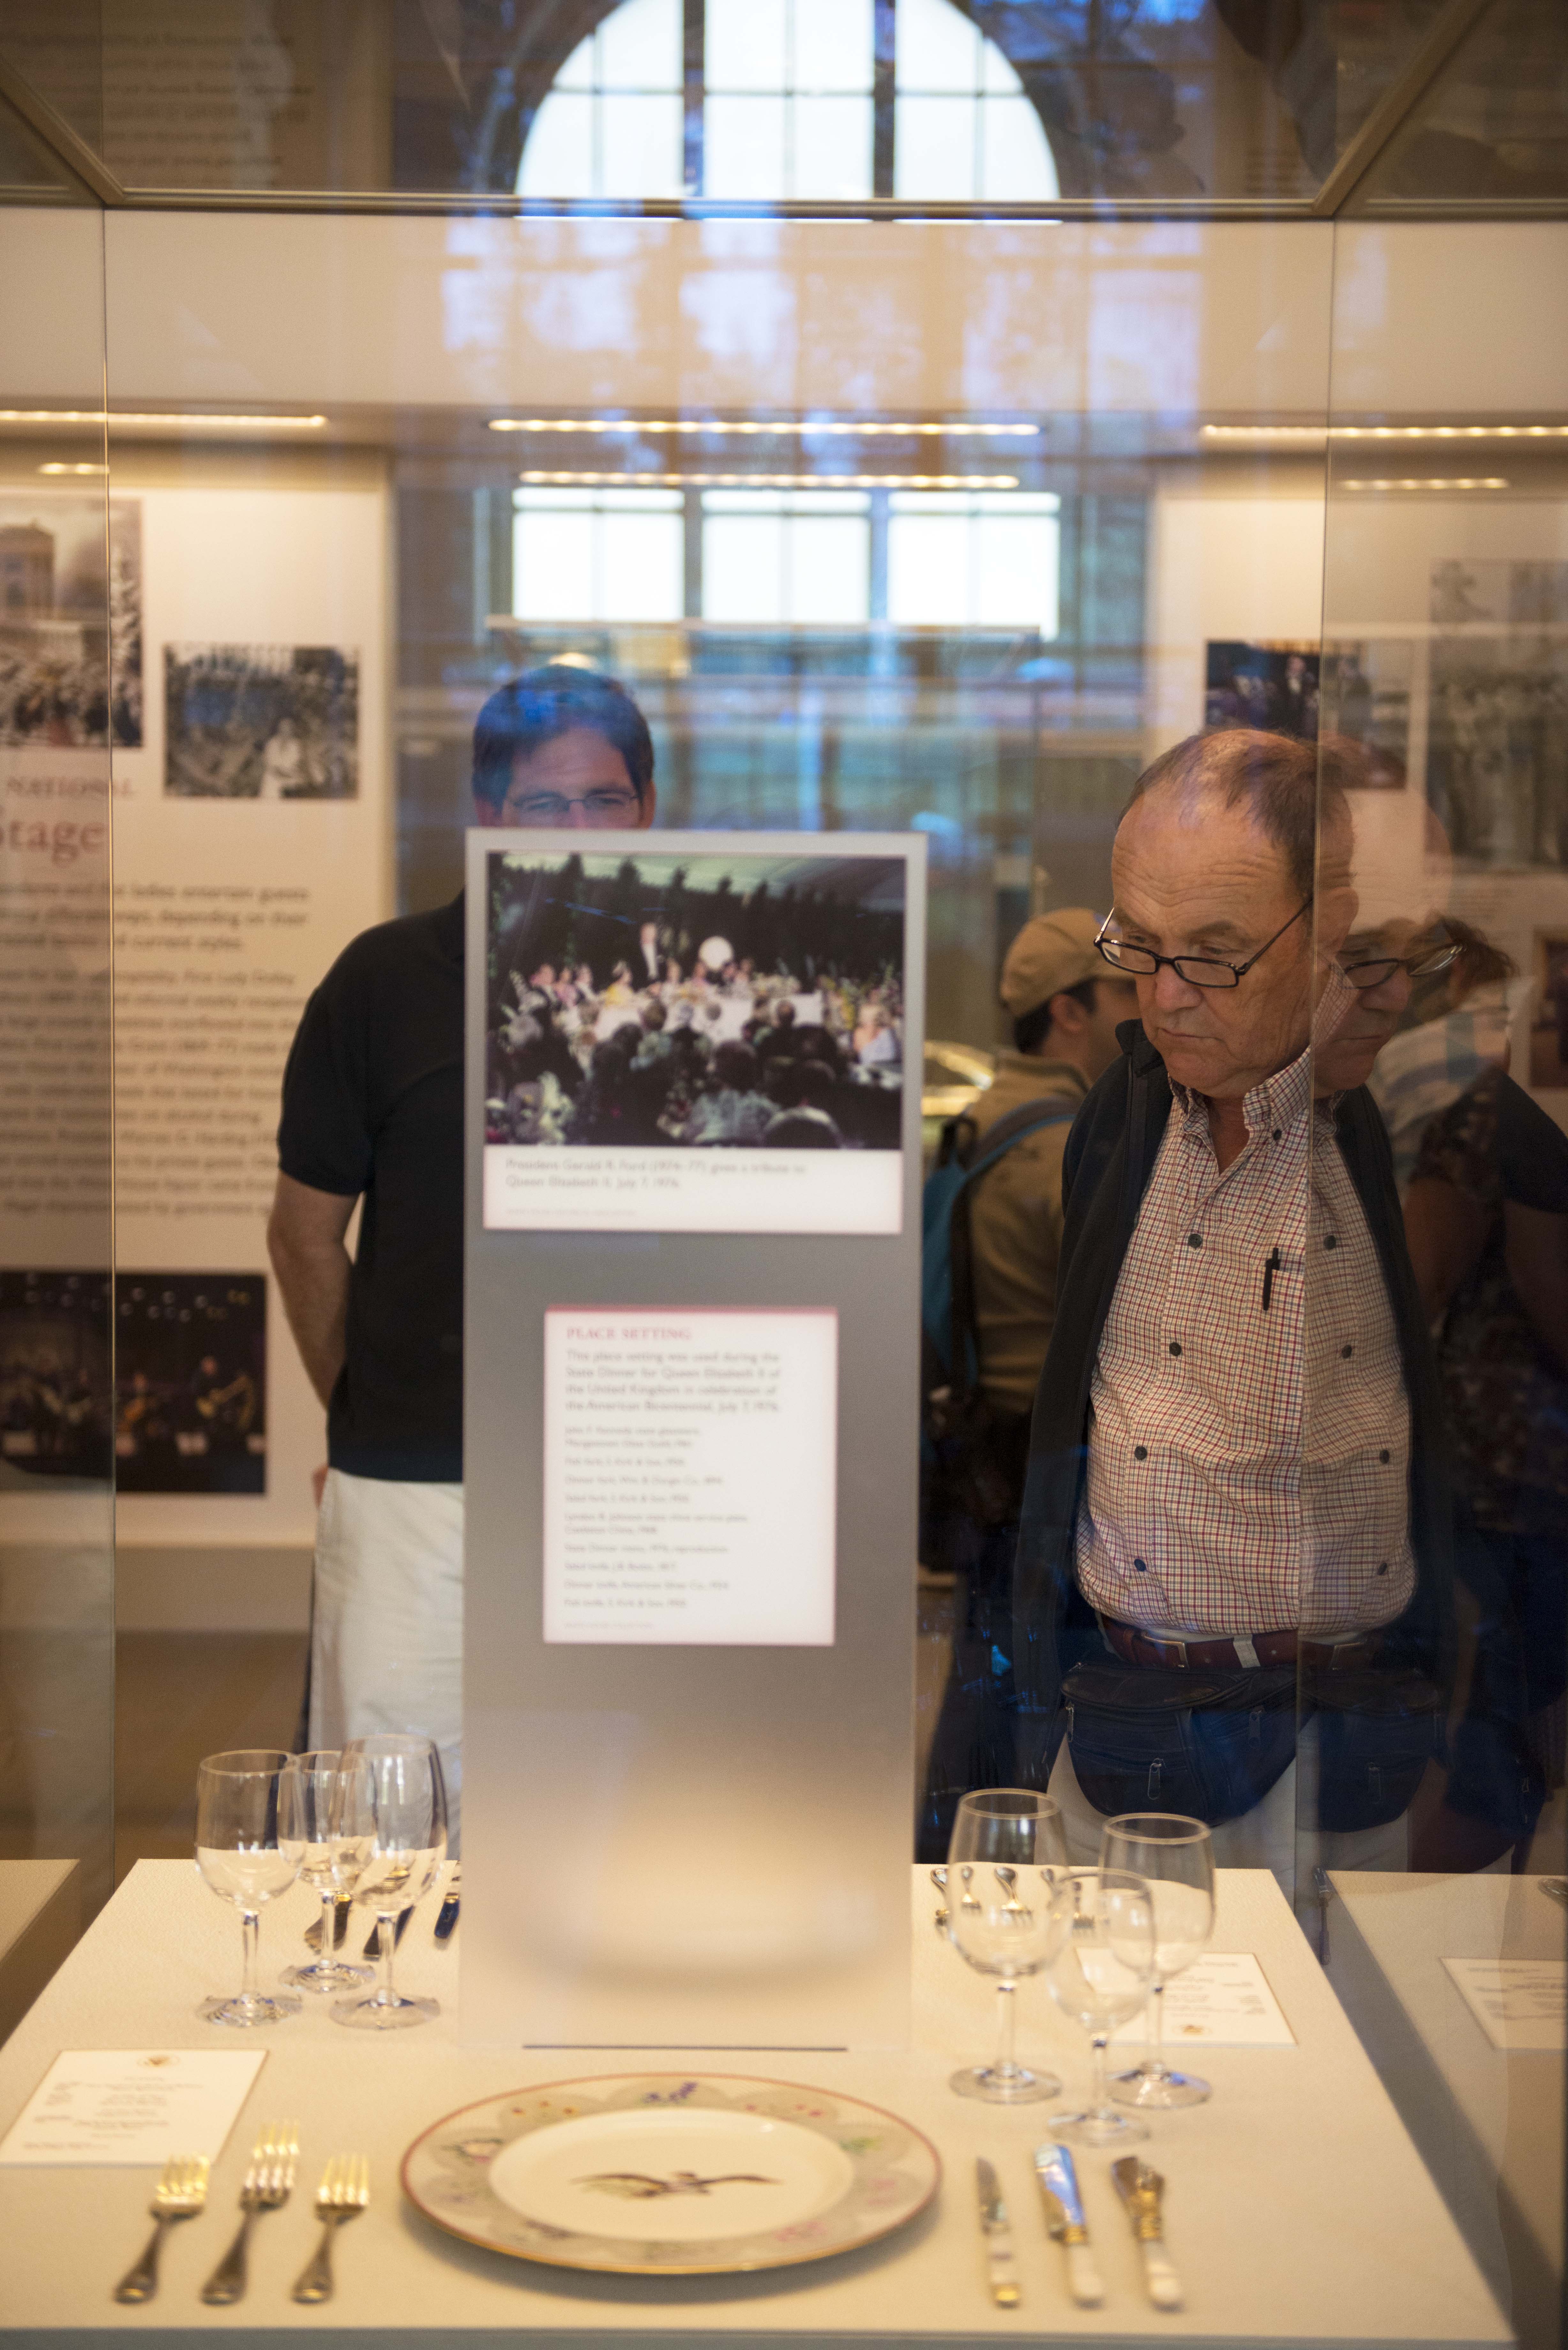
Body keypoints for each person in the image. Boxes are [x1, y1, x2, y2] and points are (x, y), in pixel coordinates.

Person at [1012, 728, 1454, 1883]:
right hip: (1121, 1723)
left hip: (1331, 1741)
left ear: (1330, 929)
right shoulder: (1119, 1116)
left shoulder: (1375, 1131)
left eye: (1213, 955)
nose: (1166, 997)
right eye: (1138, 947)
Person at [267, 666, 657, 1846]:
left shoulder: (700, 987)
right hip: (415, 1493)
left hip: (638, 1481)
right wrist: (367, 1407)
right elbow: (304, 1232)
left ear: (648, 810)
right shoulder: (383, 982)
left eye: (604, 800)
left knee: (612, 1816)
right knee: (392, 1822)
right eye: (545, 803)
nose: (576, 829)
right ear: (489, 813)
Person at [918, 910, 1136, 1857]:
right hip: (1044, 1456)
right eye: (1124, 989)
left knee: (986, 1675)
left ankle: (954, 1861)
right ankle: (997, 1869)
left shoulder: (982, 1120)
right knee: (1029, 1692)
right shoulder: (1064, 1146)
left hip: (984, 1446)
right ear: (1069, 1012)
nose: (1148, 1005)